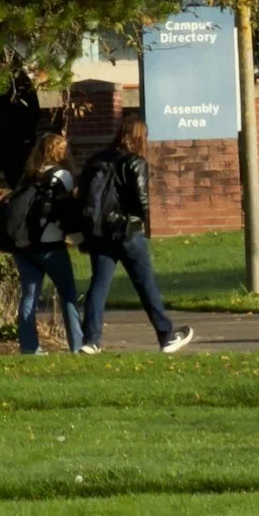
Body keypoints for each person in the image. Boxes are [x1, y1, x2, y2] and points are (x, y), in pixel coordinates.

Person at [75, 119, 193, 356]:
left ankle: (91, 340)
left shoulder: (97, 160)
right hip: (127, 232)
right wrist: (141, 220)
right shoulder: (135, 162)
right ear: (140, 137)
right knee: (145, 284)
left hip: (100, 234)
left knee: (98, 286)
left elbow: (83, 196)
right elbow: (141, 202)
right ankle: (166, 335)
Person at [0, 129, 84, 355]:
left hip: (23, 246)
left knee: (29, 296)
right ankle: (78, 345)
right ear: (61, 153)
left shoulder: (28, 177)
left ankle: (29, 346)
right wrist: (80, 239)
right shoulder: (62, 176)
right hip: (50, 245)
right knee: (68, 295)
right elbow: (70, 211)